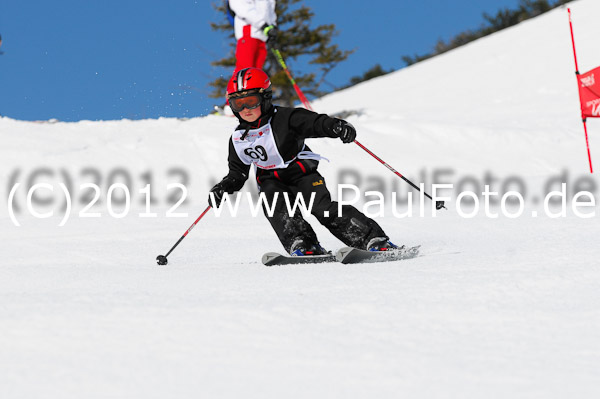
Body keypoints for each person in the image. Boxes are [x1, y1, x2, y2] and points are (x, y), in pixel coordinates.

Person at [208, 68, 398, 256]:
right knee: (277, 210)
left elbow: (315, 123)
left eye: (251, 102)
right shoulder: (239, 139)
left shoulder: (285, 118)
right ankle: (304, 244)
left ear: (265, 98)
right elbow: (238, 173)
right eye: (237, 103)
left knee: (322, 209)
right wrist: (224, 187)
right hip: (270, 180)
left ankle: (371, 239)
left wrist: (337, 127)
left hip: (302, 174)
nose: (245, 109)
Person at [228, 0, 277, 71]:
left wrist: (273, 26)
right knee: (245, 68)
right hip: (249, 31)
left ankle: (253, 82)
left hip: (262, 36)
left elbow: (270, 11)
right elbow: (242, 8)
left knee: (256, 71)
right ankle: (240, 82)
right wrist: (263, 25)